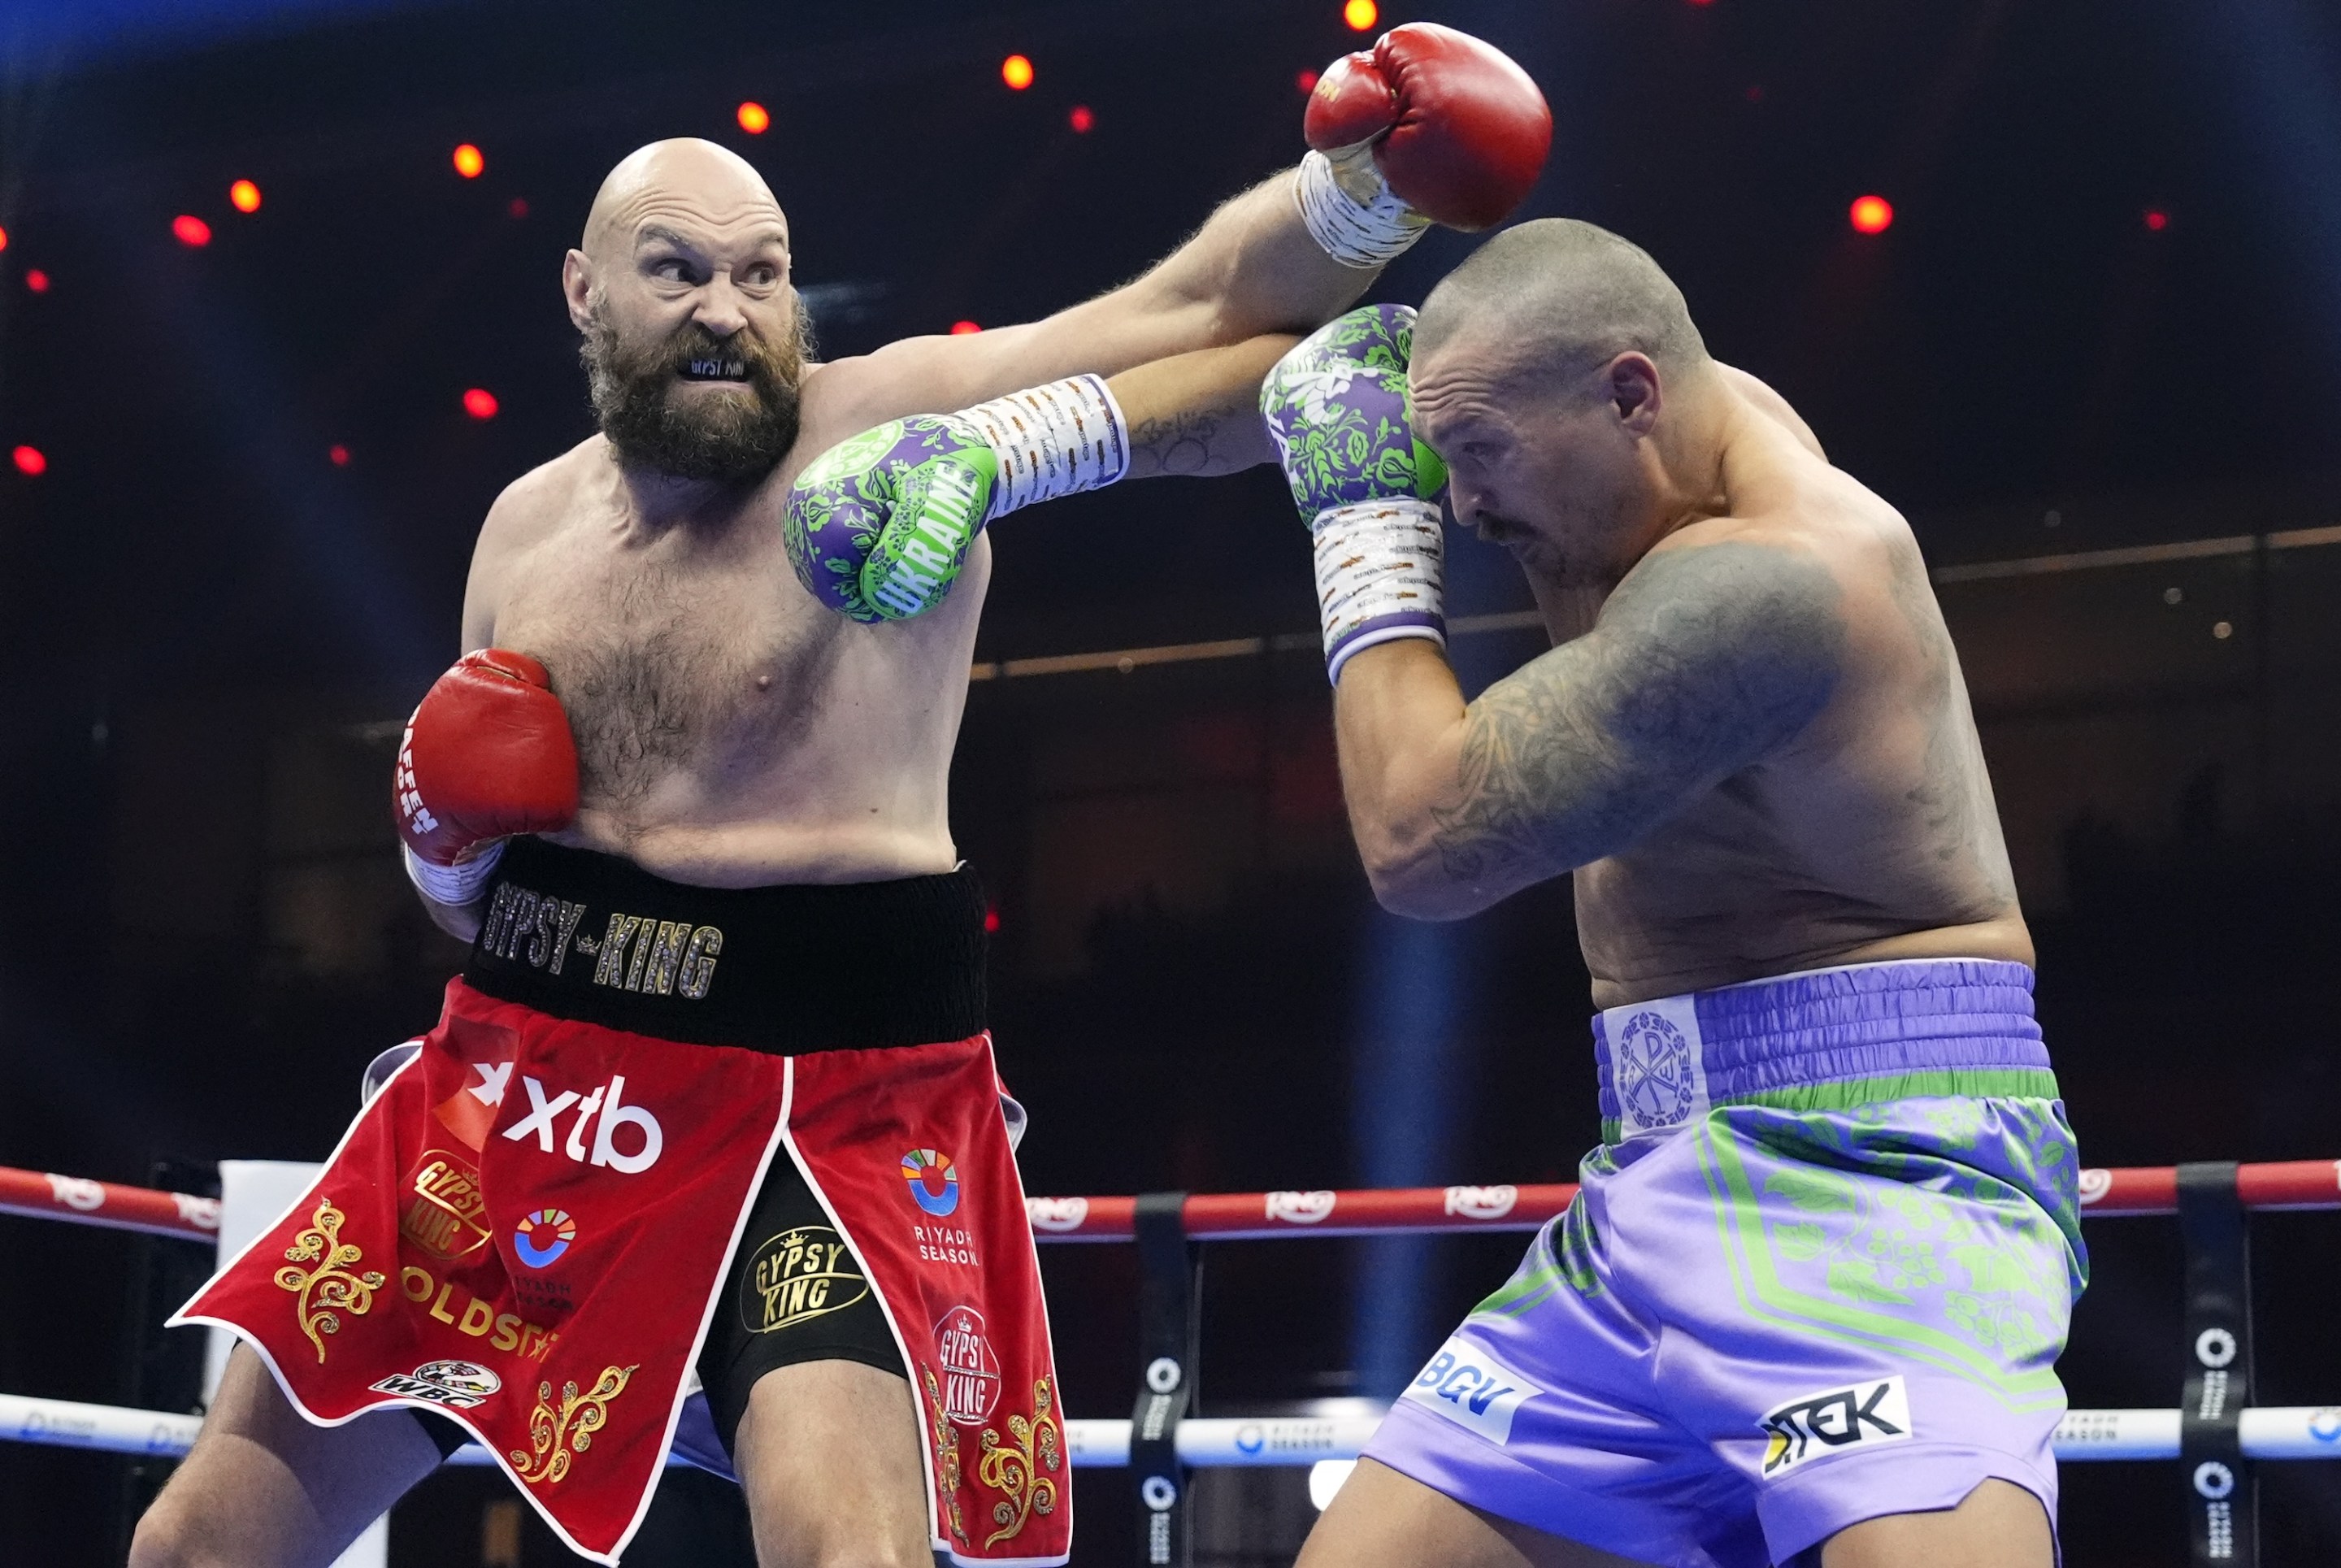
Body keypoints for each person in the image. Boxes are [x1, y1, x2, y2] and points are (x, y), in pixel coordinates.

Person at [132, 26, 1552, 1568]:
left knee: (847, 1552)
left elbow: (1196, 312)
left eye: (763, 274)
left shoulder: (891, 424)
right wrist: (434, 826)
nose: (728, 313)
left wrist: (1353, 192)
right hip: (529, 1079)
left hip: (819, 1106)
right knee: (199, 1538)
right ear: (584, 293)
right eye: (679, 271)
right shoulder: (522, 530)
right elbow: (475, 883)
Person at [1257, 223, 2083, 1568]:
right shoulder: (1606, 424)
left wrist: (1364, 530)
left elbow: (1420, 840)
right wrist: (1013, 447)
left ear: (1632, 395)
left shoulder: (1769, 586)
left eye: (1475, 459)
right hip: (1651, 1169)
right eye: (1440, 457)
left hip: (1883, 1183)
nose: (1457, 503)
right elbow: (1291, 389)